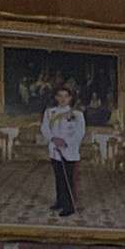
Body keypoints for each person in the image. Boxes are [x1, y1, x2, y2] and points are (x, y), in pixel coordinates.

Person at [42, 85, 85, 216]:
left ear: (70, 98)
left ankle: (69, 206)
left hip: (69, 151)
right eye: (60, 96)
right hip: (55, 150)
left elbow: (80, 133)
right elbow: (44, 128)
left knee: (68, 179)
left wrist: (66, 143)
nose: (63, 99)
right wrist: (53, 139)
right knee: (59, 178)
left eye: (66, 96)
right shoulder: (50, 113)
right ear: (56, 97)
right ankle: (60, 201)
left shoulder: (77, 114)